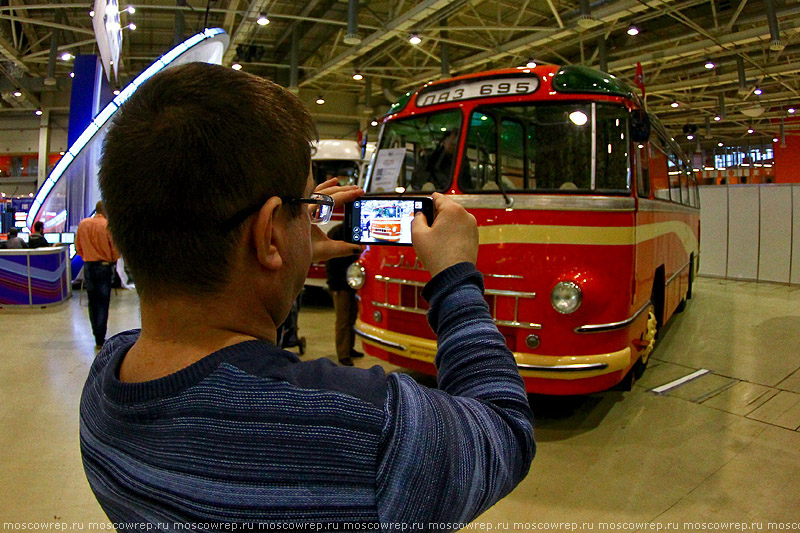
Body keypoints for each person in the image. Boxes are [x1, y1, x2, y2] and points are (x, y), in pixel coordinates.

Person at [80, 63, 534, 529]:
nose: (314, 215)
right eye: (306, 205)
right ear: (268, 235)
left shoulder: (101, 389)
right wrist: (456, 277)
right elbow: (503, 429)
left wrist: (284, 250)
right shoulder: (366, 429)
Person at [75, 201, 120, 349]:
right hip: (104, 267)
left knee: (92, 301)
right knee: (103, 302)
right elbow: (114, 249)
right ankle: (101, 337)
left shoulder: (83, 224)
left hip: (88, 265)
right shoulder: (108, 226)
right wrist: (113, 259)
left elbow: (78, 247)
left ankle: (96, 333)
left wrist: (87, 256)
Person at [325, 223, 363, 366]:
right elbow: (331, 263)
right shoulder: (336, 234)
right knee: (343, 320)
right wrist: (334, 285)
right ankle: (343, 353)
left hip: (352, 285)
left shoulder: (352, 233)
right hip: (340, 285)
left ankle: (349, 348)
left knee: (351, 317)